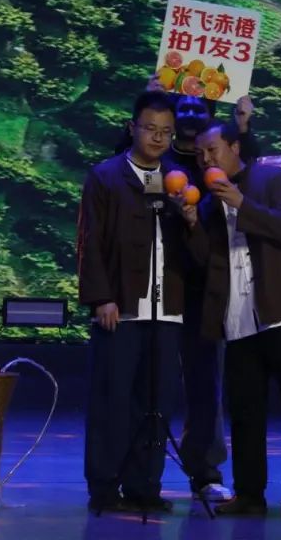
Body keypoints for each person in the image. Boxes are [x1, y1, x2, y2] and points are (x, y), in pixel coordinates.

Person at [181, 119, 281, 519]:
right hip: (239, 318)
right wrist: (193, 224)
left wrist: (240, 202)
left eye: (212, 150)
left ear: (234, 147)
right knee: (245, 412)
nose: (205, 159)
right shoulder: (209, 202)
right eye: (200, 153)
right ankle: (249, 494)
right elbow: (206, 261)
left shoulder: (272, 179)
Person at [78, 91, 187, 513]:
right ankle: (105, 486)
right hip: (121, 307)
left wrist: (189, 216)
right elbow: (90, 242)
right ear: (132, 128)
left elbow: (191, 246)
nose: (158, 138)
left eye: (166, 131)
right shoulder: (106, 176)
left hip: (166, 308)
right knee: (113, 400)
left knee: (156, 402)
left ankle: (145, 485)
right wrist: (102, 297)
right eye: (150, 129)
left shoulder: (177, 179)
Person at [161, 87, 260, 503]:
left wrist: (244, 127)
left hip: (206, 290)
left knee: (206, 386)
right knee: (155, 384)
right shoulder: (159, 155)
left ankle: (204, 472)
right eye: (181, 106)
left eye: (197, 107)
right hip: (160, 286)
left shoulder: (219, 159)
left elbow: (251, 172)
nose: (189, 112)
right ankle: (140, 477)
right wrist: (149, 100)